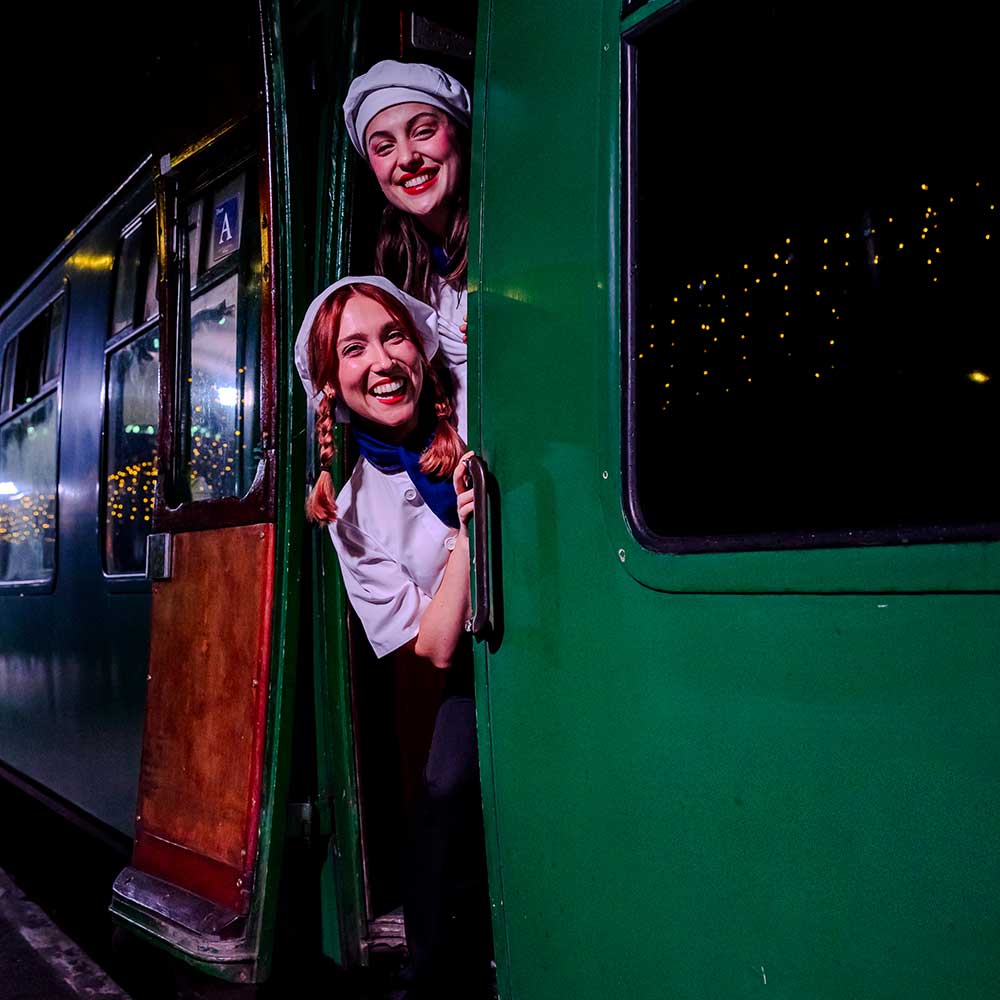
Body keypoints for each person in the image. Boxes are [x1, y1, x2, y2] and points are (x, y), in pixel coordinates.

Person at [295, 275, 491, 998]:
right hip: (484, 658)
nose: (380, 361)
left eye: (393, 336)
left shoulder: (474, 393)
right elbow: (437, 645)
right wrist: (471, 541)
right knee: (442, 791)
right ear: (330, 388)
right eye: (353, 350)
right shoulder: (350, 513)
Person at [343, 60, 471, 438]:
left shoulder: (517, 237)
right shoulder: (395, 270)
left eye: (423, 132)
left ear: (459, 135)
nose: (406, 158)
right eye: (384, 147)